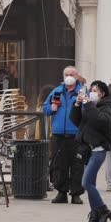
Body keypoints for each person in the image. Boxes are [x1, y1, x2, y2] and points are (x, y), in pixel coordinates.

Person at [69, 80, 111, 222]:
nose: (92, 92)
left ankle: (103, 210)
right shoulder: (90, 108)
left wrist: (88, 104)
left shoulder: (106, 107)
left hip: (98, 150)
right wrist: (77, 104)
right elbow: (76, 121)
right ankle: (94, 214)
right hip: (88, 151)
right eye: (91, 90)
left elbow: (100, 121)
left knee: (86, 183)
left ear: (102, 93)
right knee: (91, 184)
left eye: (95, 90)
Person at [43, 66, 84, 204]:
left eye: (71, 74)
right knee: (59, 165)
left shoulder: (82, 92)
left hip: (76, 135)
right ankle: (61, 192)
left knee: (77, 165)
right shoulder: (57, 91)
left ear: (77, 76)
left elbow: (89, 110)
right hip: (59, 135)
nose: (69, 76)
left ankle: (76, 194)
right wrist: (51, 108)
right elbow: (45, 108)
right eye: (66, 74)